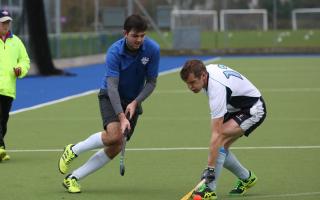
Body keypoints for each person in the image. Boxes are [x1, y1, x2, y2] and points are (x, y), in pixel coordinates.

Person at [58, 14, 160, 193]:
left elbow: (151, 82)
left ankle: (73, 178)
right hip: (110, 95)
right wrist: (121, 116)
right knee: (114, 136)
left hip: (133, 99)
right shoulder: (114, 52)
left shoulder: (152, 50)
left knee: (116, 146)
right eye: (135, 36)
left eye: (142, 36)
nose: (139, 40)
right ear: (125, 33)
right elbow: (112, 86)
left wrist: (135, 103)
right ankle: (74, 149)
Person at [180, 60, 266, 200]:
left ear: (203, 75)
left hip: (252, 109)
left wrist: (210, 169)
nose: (190, 87)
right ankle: (246, 178)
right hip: (234, 107)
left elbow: (217, 133)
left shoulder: (216, 88)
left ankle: (209, 189)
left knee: (219, 141)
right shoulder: (206, 73)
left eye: (193, 82)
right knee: (221, 147)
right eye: (188, 83)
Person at [0, 10, 30, 162]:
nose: (6, 25)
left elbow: (25, 60)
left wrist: (20, 69)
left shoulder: (16, 41)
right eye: (3, 22)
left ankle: (0, 148)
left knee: (3, 121)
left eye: (7, 22)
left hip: (8, 89)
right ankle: (0, 148)